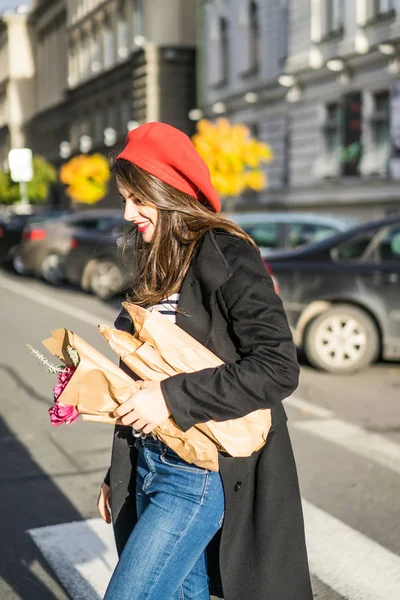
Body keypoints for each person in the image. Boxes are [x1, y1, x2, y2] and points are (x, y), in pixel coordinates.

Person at [97, 121, 313, 600]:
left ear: (168, 190)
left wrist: (171, 398)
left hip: (194, 476)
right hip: (147, 464)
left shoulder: (226, 254)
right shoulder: (157, 258)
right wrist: (116, 473)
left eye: (138, 198)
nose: (129, 212)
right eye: (125, 198)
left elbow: (278, 366)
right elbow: (140, 372)